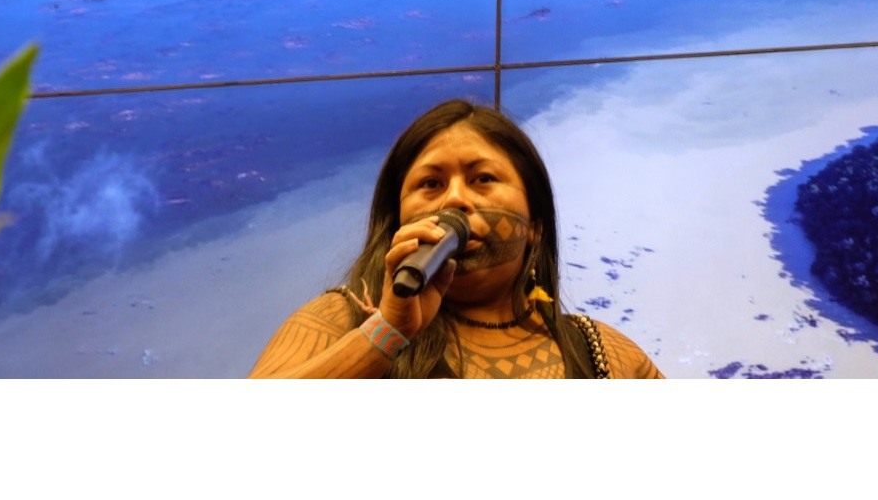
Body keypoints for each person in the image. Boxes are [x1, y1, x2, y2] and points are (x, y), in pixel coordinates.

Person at [249, 99, 664, 378]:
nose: (454, 200)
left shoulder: (602, 353)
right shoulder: (340, 320)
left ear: (536, 224)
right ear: (397, 221)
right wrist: (386, 332)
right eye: (431, 184)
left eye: (482, 178)